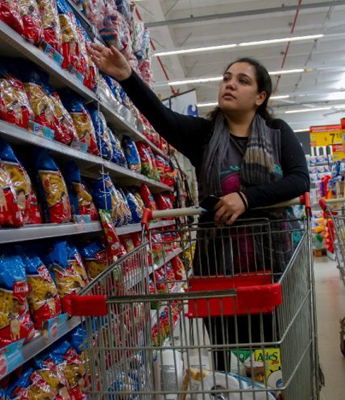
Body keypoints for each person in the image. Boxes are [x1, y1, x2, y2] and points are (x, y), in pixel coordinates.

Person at [89, 43, 310, 372]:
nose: (230, 84)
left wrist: (247, 198)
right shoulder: (204, 136)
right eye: (226, 78)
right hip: (217, 271)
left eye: (242, 80)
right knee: (225, 359)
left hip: (273, 269)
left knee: (276, 358)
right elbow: (163, 119)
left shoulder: (278, 134)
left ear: (260, 97)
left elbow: (299, 180)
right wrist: (127, 76)